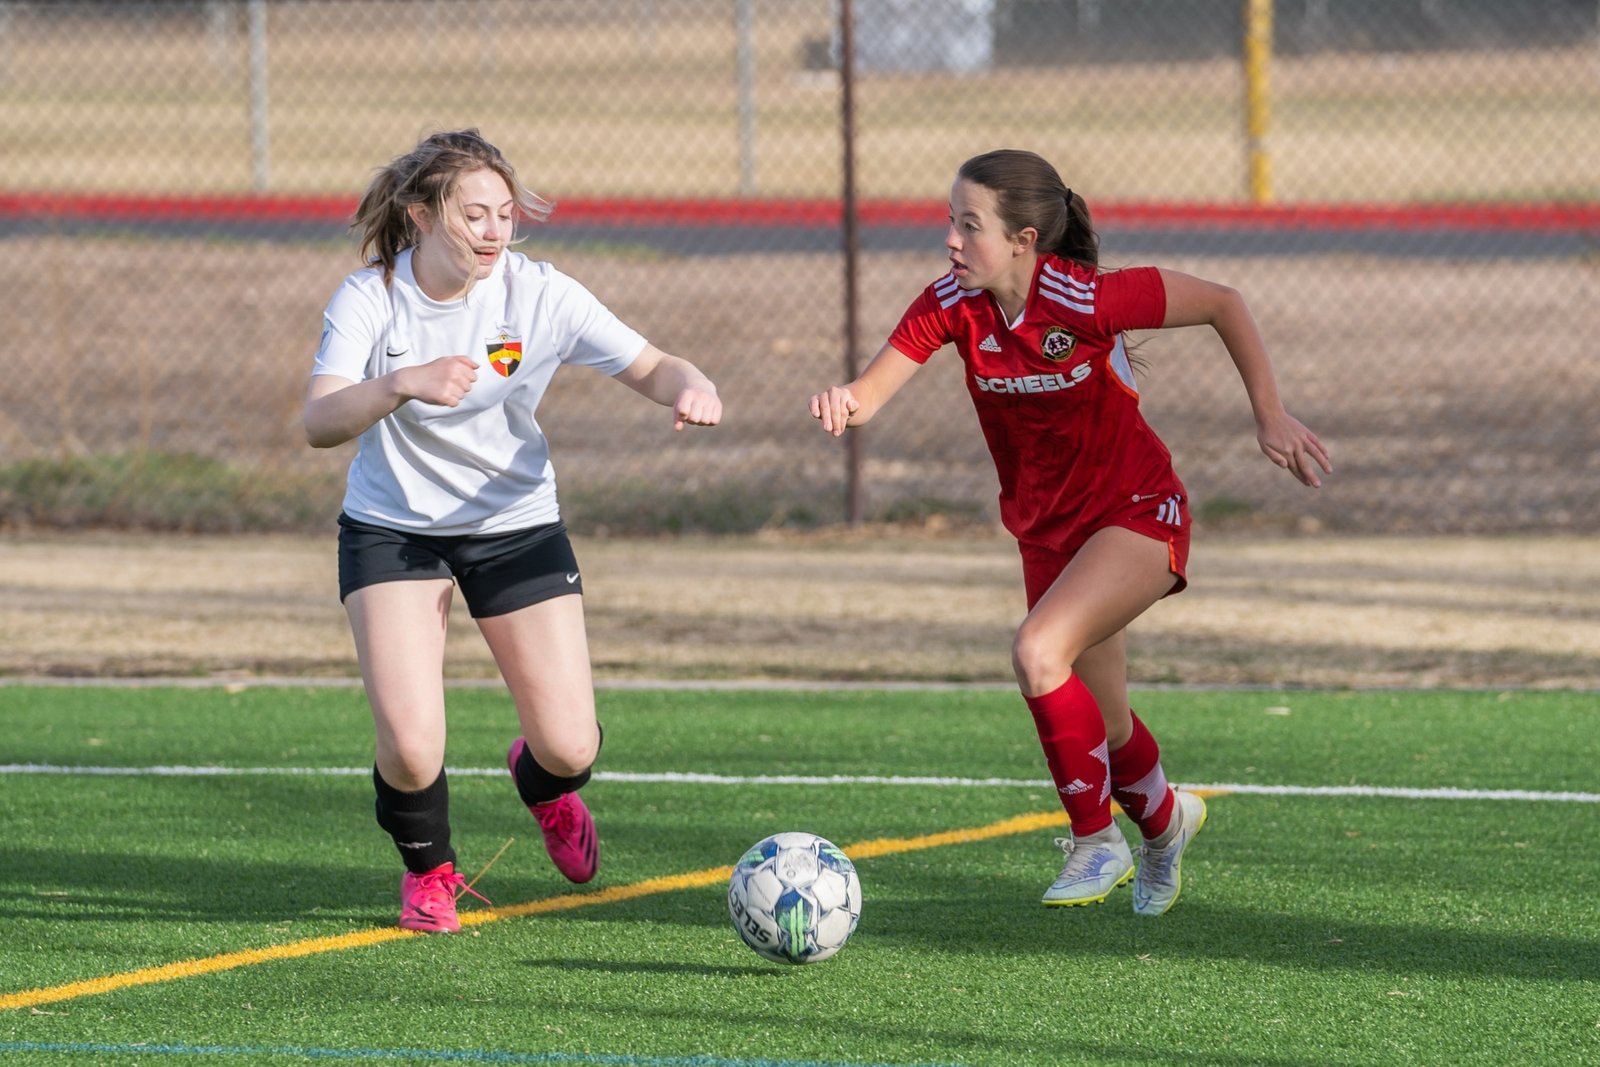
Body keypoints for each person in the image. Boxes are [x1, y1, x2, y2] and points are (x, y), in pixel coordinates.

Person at [808, 149, 1329, 916]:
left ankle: (1096, 839)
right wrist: (842, 401)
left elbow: (1224, 302)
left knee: (1036, 651)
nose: (951, 239)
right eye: (950, 220)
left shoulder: (1083, 297)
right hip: (1048, 536)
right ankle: (1165, 824)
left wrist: (1270, 415)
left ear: (1024, 240)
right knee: (1108, 725)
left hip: (1136, 510)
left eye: (970, 225)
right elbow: (870, 393)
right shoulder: (951, 303)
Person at [304, 129, 722, 933]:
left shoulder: (540, 294)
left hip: (514, 523)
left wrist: (691, 385)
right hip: (394, 530)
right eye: (475, 215)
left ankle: (543, 787)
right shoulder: (371, 297)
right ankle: (429, 872)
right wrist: (400, 383)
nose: (495, 231)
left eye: (505, 213)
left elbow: (653, 364)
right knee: (412, 746)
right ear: (422, 215)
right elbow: (320, 420)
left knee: (570, 746)